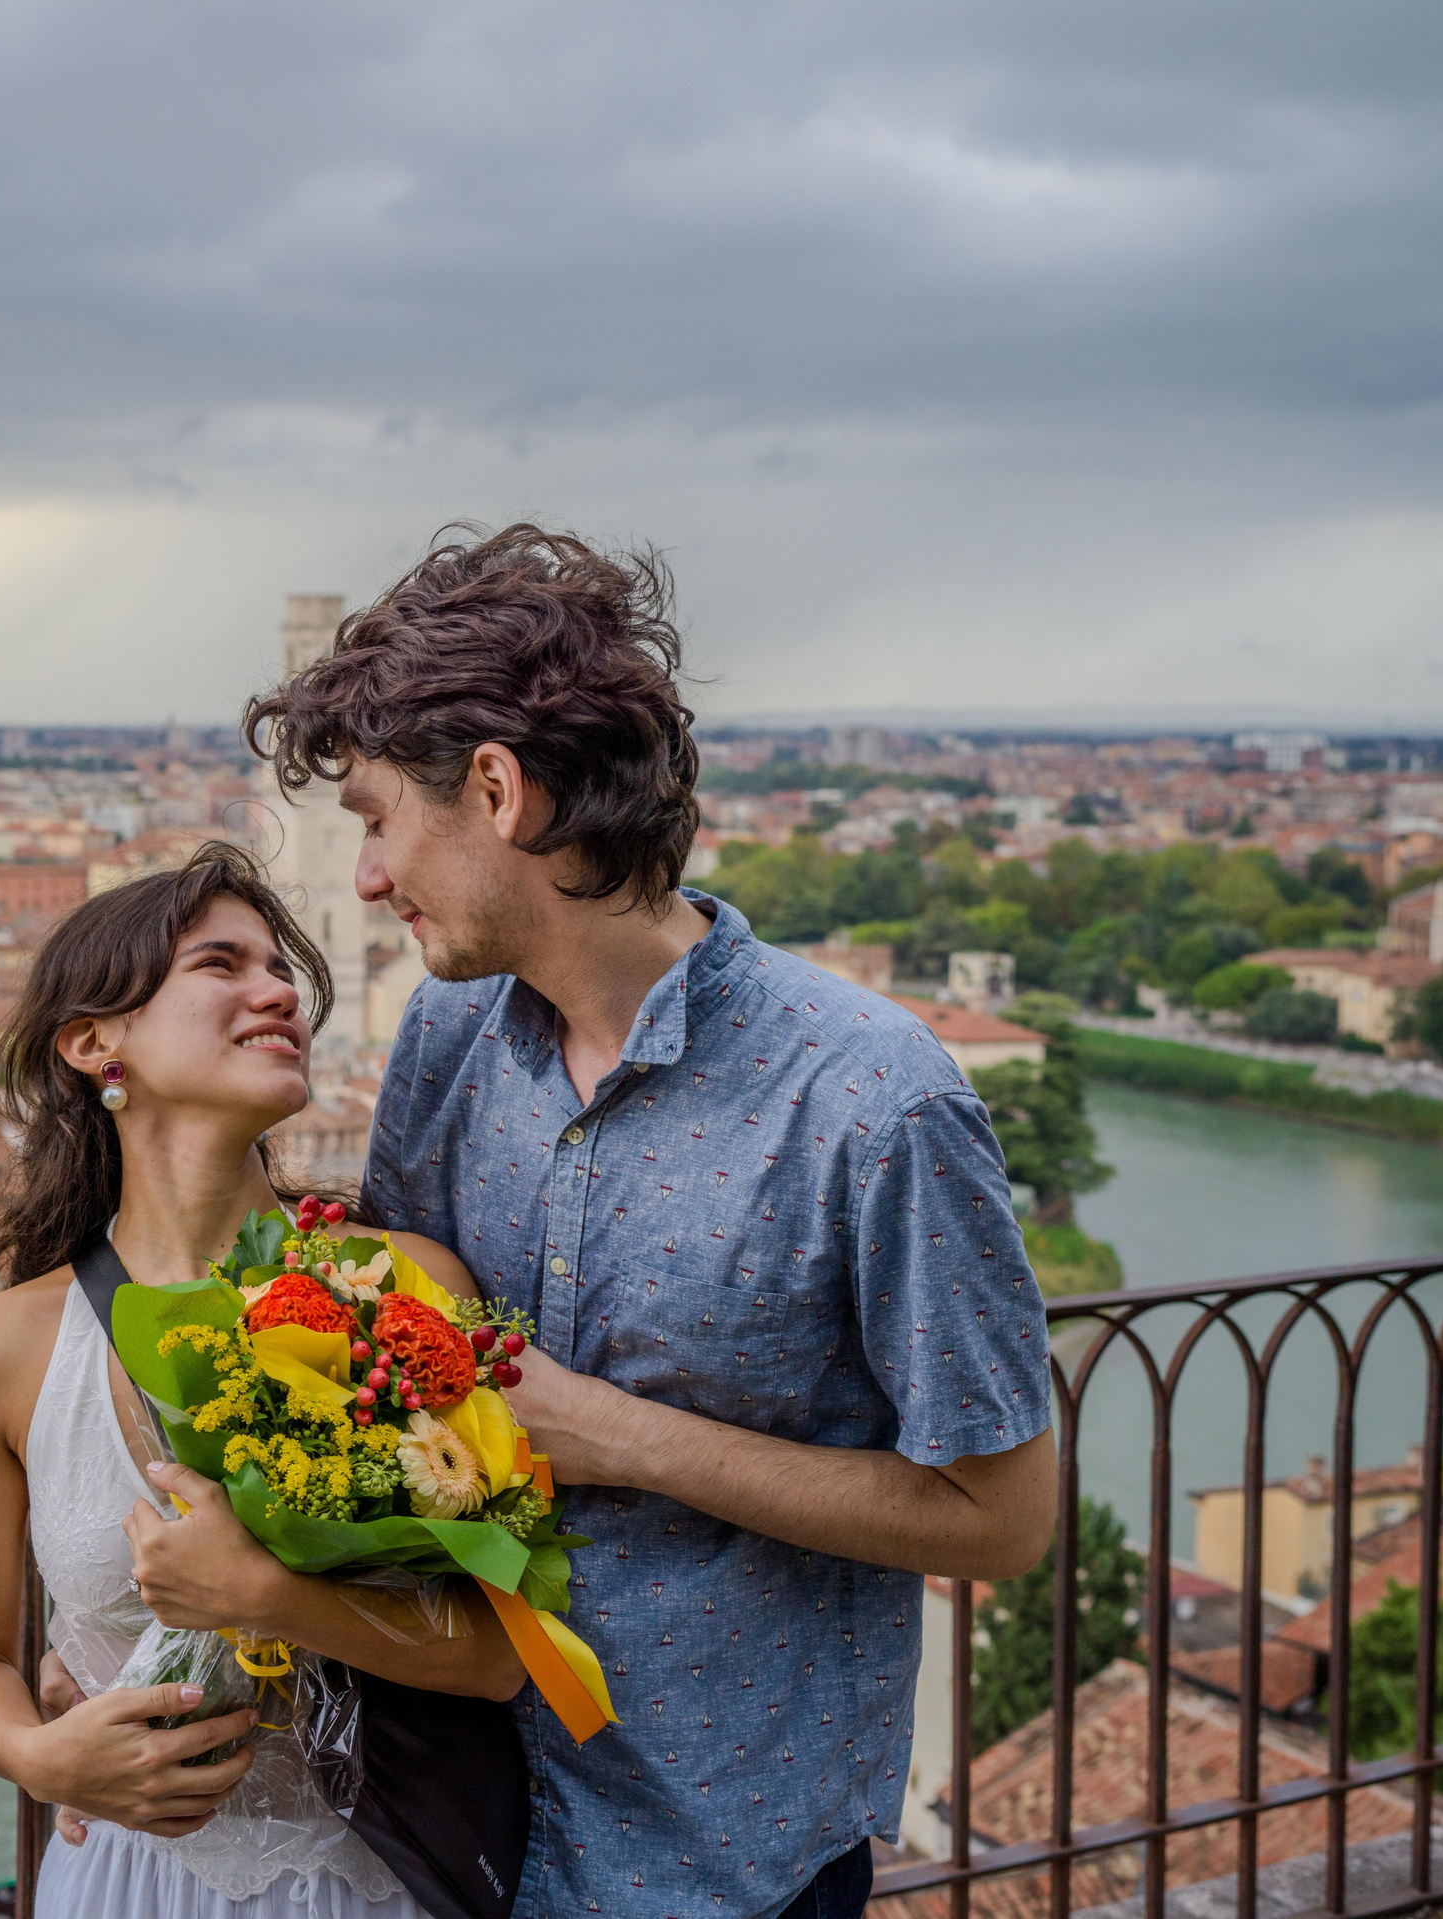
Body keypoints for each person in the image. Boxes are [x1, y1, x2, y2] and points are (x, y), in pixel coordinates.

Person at [245, 525, 1059, 1919]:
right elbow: (385, 1376)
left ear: (496, 791)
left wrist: (612, 1432)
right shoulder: (447, 1032)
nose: (370, 875)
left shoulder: (873, 1100)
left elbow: (1002, 1519)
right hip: (452, 1829)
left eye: (381, 818)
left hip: (727, 1857)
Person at [0, 842, 528, 1918]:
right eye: (221, 964)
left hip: (373, 1882)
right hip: (123, 1882)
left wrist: (267, 1595)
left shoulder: (406, 1289)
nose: (278, 989)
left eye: (281, 968)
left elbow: (497, 1658)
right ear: (95, 1042)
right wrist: (40, 1754)